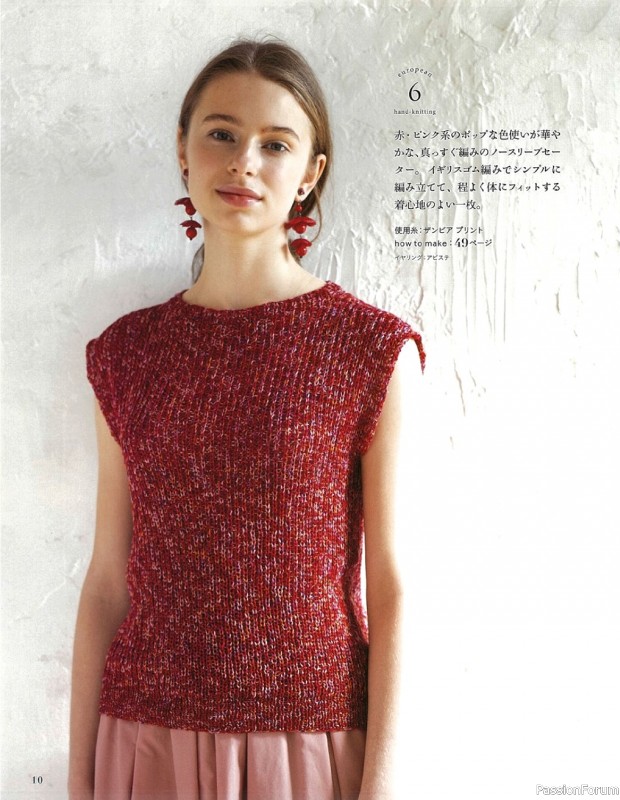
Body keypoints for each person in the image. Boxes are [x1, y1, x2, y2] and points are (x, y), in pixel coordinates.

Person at [68, 36, 426, 800]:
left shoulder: (370, 351)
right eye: (222, 134)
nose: (245, 163)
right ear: (183, 150)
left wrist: (382, 785)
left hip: (311, 743)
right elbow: (105, 583)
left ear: (310, 173)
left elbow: (393, 587)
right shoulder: (124, 356)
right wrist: (78, 776)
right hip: (145, 741)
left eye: (276, 144)